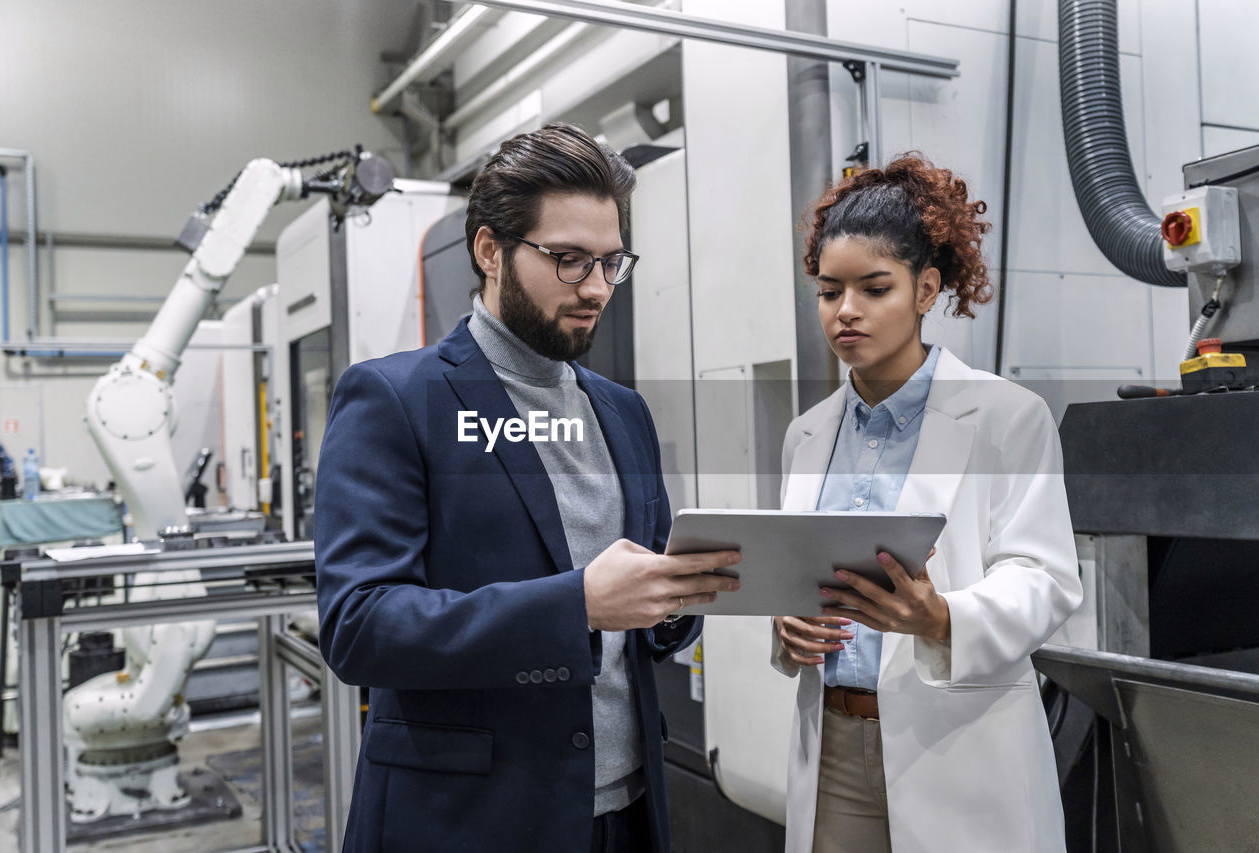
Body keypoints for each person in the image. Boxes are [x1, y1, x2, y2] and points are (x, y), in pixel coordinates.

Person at [315, 122, 740, 853]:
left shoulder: (623, 411)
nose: (597, 288)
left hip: (628, 810)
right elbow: (360, 625)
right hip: (475, 819)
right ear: (490, 250)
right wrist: (577, 603)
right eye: (568, 260)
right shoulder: (396, 399)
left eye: (612, 263)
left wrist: (673, 604)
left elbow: (640, 607)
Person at [772, 156, 1083, 853]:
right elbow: (798, 575)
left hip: (960, 748)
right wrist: (789, 627)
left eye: (873, 288)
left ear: (927, 289)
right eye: (829, 291)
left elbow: (1048, 578)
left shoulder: (1007, 417)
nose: (845, 310)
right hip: (832, 751)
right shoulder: (807, 435)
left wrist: (941, 617)